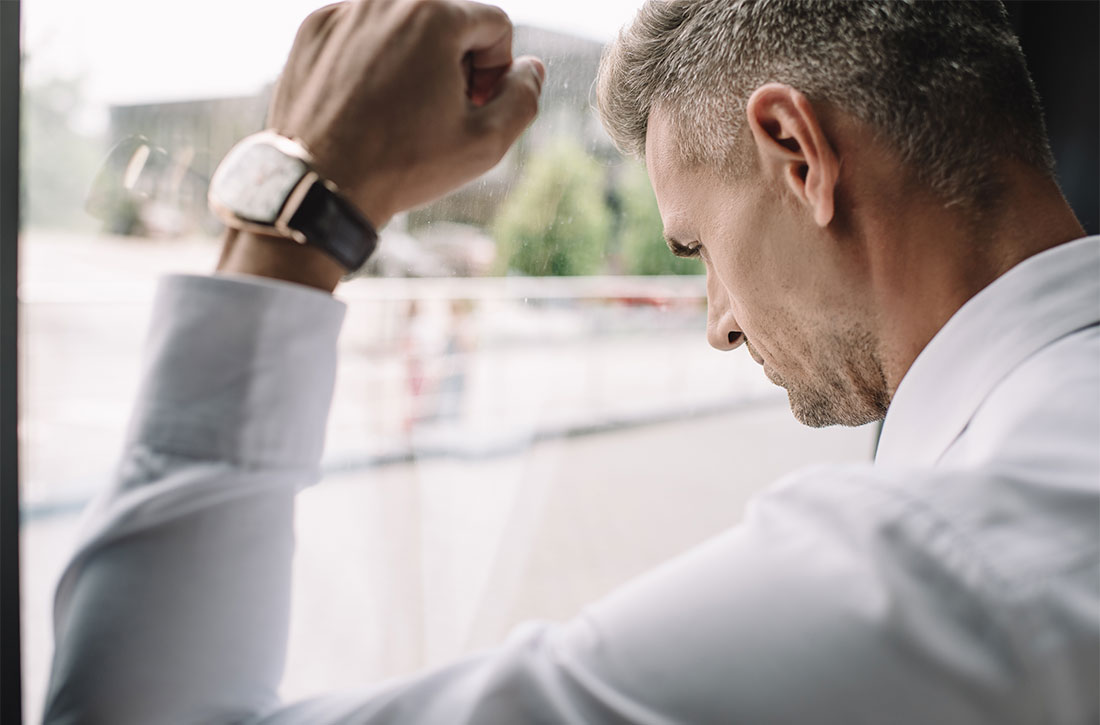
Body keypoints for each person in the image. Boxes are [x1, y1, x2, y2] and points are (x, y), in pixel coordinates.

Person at [43, 0, 1098, 723]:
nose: (717, 323)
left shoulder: (931, 575)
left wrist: (302, 208)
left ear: (796, 154)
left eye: (696, 248)